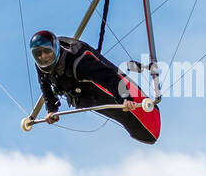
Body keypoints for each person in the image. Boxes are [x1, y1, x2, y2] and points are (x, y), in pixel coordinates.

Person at [29, 30, 160, 144]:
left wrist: (126, 98)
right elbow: (44, 83)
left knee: (146, 131)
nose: (44, 57)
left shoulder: (80, 64)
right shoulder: (41, 64)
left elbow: (111, 78)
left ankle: (136, 109)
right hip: (78, 93)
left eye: (47, 51)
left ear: (56, 49)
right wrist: (51, 109)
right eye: (38, 54)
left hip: (106, 91)